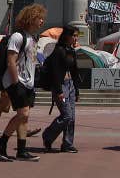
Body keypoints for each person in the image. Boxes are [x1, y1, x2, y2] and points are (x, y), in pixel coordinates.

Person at [0, 3, 46, 161]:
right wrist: (16, 83)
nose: (42, 21)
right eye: (40, 18)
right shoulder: (18, 37)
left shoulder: (33, 38)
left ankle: (21, 150)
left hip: (28, 83)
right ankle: (2, 141)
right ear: (31, 18)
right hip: (16, 82)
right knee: (23, 113)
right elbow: (11, 61)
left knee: (24, 116)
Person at [42, 25, 82, 153]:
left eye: (77, 36)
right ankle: (48, 136)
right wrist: (58, 91)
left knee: (72, 117)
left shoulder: (71, 51)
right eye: (74, 36)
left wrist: (77, 90)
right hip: (61, 86)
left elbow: (75, 72)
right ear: (67, 36)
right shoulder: (58, 51)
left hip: (70, 86)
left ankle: (67, 143)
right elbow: (55, 72)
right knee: (66, 115)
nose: (76, 38)